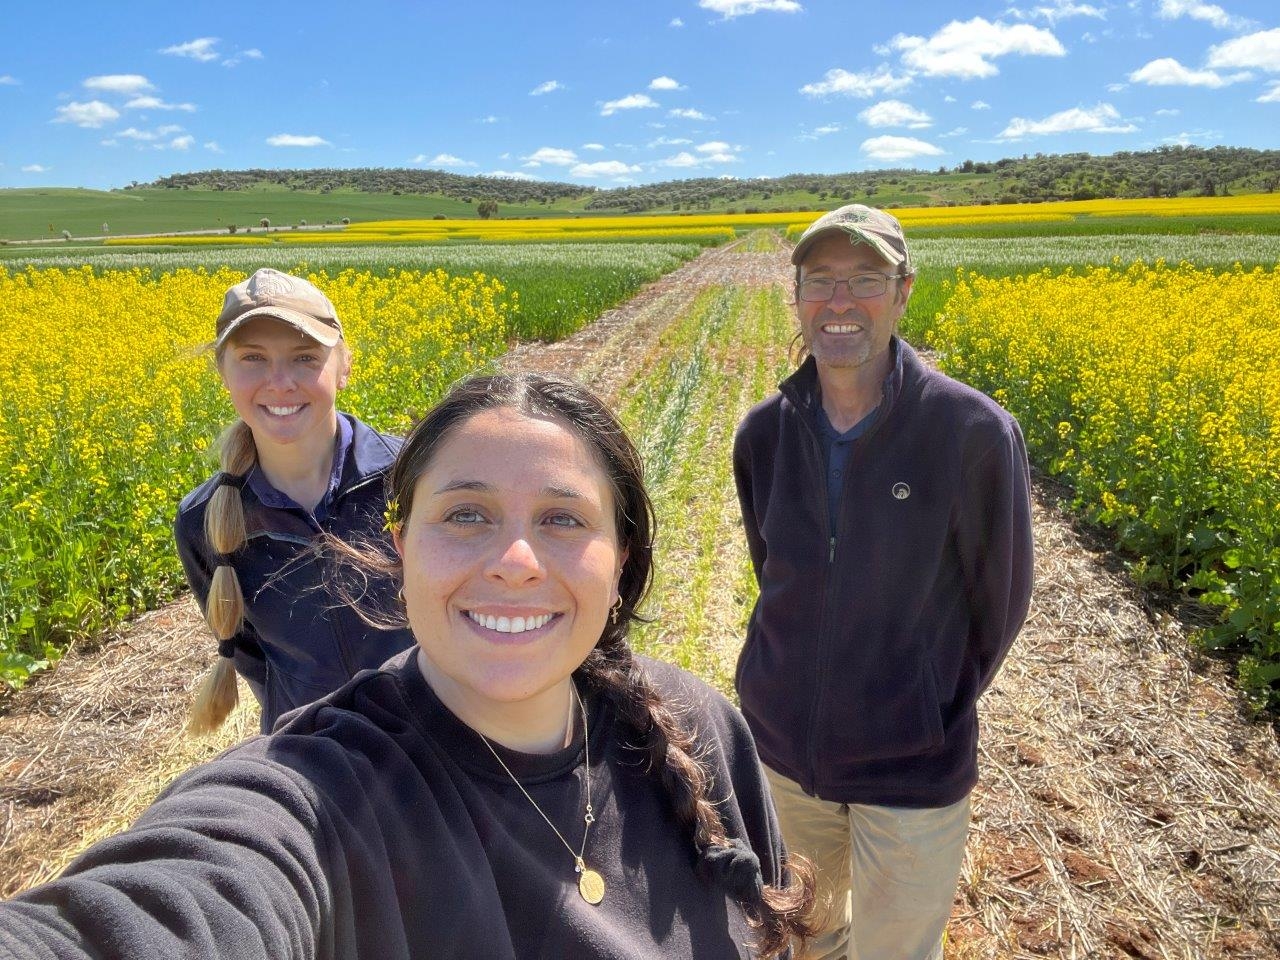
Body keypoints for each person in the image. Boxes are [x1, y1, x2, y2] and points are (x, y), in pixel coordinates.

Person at [1, 373, 817, 960]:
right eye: (466, 514)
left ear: (621, 559)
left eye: (564, 518)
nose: (517, 560)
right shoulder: (319, 797)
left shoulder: (699, 726)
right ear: (401, 548)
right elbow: (168, 911)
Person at [732, 205, 1034, 960]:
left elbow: (1000, 600)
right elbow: (774, 572)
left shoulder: (971, 432)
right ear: (796, 296)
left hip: (911, 768)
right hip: (783, 759)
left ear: (903, 293)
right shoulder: (763, 434)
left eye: (864, 280)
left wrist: (925, 705)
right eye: (821, 282)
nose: (840, 303)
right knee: (804, 938)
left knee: (896, 951)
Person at [175, 267, 413, 733]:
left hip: (434, 748)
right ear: (222, 372)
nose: (280, 382)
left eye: (305, 357)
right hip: (310, 758)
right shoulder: (203, 520)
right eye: (253, 358)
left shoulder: (414, 477)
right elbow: (252, 658)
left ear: (344, 367)